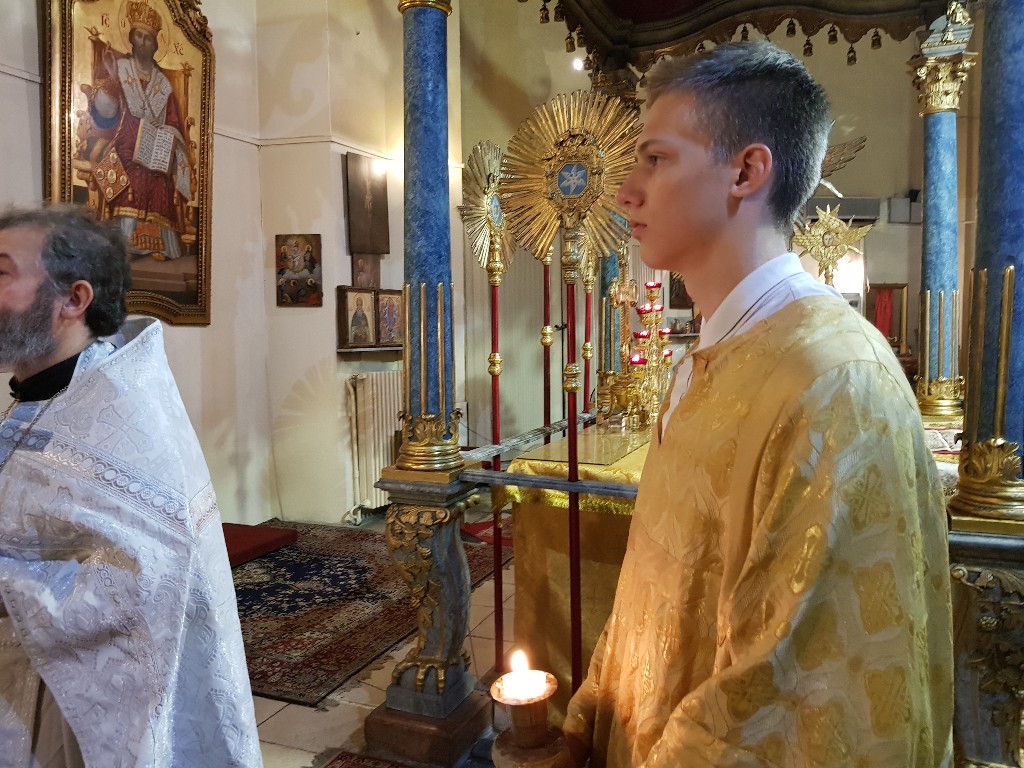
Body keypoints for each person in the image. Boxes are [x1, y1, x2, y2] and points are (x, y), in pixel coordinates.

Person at [563, 42, 952, 767]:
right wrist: (593, 716)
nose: (625, 192)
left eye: (656, 159)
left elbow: (802, 700)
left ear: (745, 172)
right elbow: (655, 585)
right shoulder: (703, 359)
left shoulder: (836, 382)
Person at [0, 206, 261, 767]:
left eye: (1, 272)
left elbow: (145, 586)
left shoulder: (125, 418)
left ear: (74, 299)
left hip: (72, 715)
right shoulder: (44, 396)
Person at [87, 0, 193, 262]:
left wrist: (166, 135)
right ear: (131, 38)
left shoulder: (163, 85)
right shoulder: (121, 69)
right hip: (124, 141)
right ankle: (127, 245)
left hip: (155, 148)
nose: (143, 42)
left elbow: (175, 124)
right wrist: (112, 80)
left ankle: (159, 245)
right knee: (132, 172)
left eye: (148, 38)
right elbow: (105, 116)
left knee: (160, 178)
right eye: (139, 36)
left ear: (156, 44)